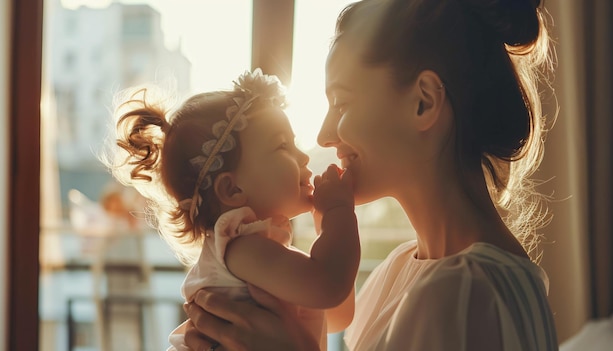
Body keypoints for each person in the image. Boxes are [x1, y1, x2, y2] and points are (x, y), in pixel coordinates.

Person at [182, 0, 559, 350]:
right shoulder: (400, 269)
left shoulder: (463, 291)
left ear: (423, 102)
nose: (324, 136)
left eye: (341, 102)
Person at [101, 69, 360, 351]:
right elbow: (328, 287)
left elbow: (335, 314)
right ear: (232, 190)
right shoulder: (241, 250)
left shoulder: (267, 256)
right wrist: (338, 211)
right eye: (283, 146)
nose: (304, 156)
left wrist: (328, 228)